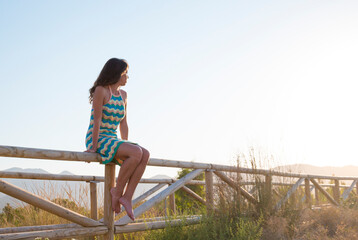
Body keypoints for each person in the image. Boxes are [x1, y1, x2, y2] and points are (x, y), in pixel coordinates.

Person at [84, 58, 150, 221]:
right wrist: (93, 146)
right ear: (116, 74)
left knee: (145, 154)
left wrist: (126, 144)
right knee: (136, 152)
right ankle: (117, 192)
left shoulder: (124, 95)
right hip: (98, 138)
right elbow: (97, 120)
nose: (127, 77)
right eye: (125, 73)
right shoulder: (101, 90)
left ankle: (126, 197)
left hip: (113, 139)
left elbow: (124, 123)